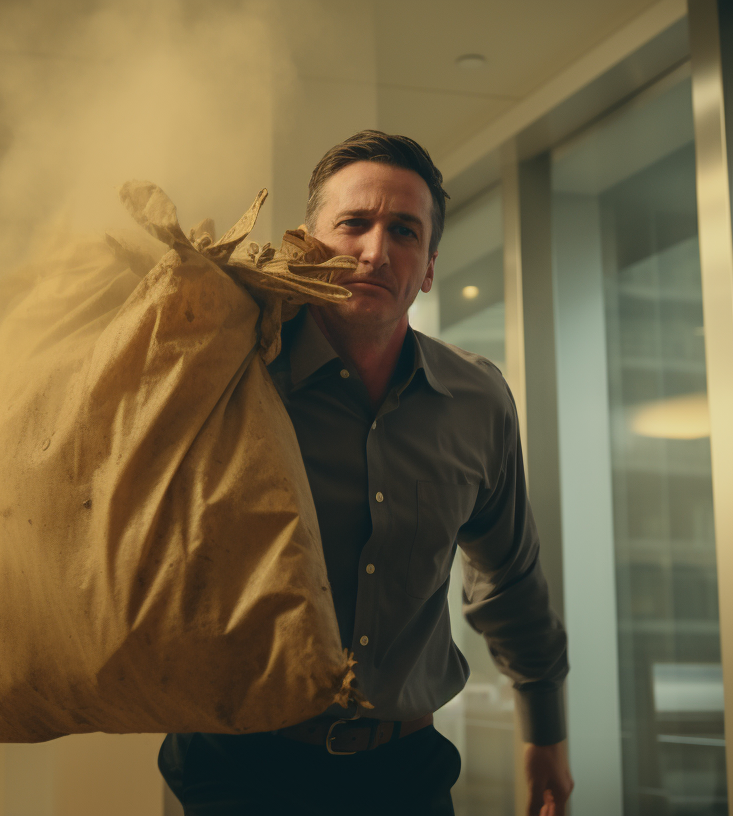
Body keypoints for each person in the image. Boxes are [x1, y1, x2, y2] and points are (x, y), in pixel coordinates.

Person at [158, 131, 572, 816]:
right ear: (307, 242)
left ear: (430, 266)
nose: (377, 251)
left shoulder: (477, 400)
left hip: (404, 776)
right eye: (354, 223)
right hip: (238, 772)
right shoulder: (235, 374)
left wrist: (546, 730)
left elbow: (510, 579)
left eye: (405, 231)